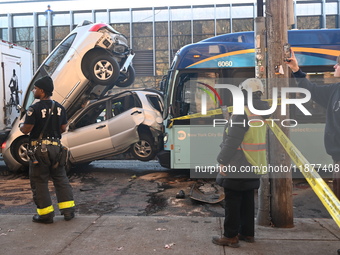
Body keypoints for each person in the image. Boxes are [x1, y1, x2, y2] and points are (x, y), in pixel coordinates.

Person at [212, 78, 270, 248]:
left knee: (233, 199)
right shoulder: (262, 111)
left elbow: (232, 141)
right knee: (247, 198)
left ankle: (230, 236)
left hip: (238, 162)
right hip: (255, 162)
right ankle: (247, 233)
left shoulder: (242, 112)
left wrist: (222, 161)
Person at [20, 76, 75, 224]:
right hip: (57, 149)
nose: (34, 91)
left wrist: (21, 126)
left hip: (39, 150)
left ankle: (45, 215)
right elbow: (63, 128)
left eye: (35, 88)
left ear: (42, 91)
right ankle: (68, 211)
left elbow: (27, 130)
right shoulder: (59, 107)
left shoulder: (34, 108)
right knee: (61, 178)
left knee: (39, 181)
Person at [285, 52, 340, 200]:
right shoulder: (335, 90)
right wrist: (296, 70)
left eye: (338, 63)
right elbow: (311, 90)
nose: (335, 66)